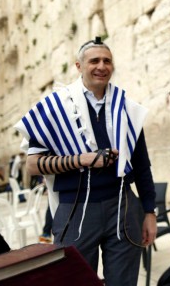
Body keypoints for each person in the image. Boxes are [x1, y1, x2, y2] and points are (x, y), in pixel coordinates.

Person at [14, 37, 157, 286]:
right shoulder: (54, 108)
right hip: (75, 209)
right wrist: (82, 160)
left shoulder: (127, 109)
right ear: (79, 66)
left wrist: (149, 212)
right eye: (94, 61)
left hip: (123, 207)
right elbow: (33, 164)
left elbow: (142, 166)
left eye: (107, 61)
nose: (101, 66)